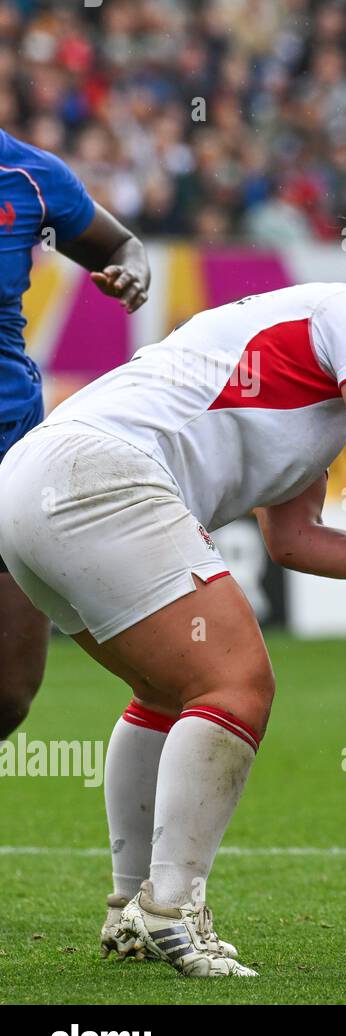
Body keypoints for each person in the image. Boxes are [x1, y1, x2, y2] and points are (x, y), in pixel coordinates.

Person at [0, 198, 346, 977]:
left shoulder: (318, 398)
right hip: (100, 474)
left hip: (35, 485)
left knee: (170, 692)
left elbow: (291, 539)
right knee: (237, 686)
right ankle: (172, 908)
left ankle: (131, 908)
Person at [0, 127, 151, 738]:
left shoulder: (30, 176)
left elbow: (120, 245)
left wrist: (128, 272)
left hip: (7, 440)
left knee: (9, 693)